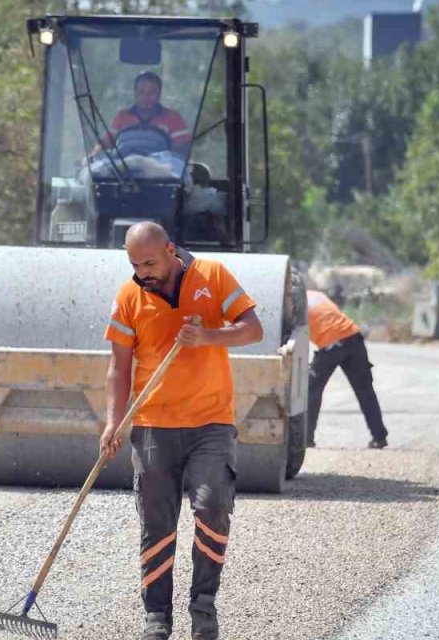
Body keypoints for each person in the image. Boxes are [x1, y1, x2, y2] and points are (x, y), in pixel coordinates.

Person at [101, 221, 262, 640]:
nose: (143, 272)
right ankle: (157, 618)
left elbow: (253, 329)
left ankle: (203, 607)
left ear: (171, 249)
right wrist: (113, 421)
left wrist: (208, 335)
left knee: (212, 508)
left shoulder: (213, 276)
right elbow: (118, 368)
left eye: (150, 262)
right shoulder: (128, 296)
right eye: (134, 264)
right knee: (156, 523)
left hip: (211, 423)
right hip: (154, 425)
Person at [305, 290, 388, 450]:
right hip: (353, 337)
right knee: (365, 392)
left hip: (331, 344)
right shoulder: (317, 294)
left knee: (312, 390)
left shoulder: (293, 302)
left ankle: (307, 438)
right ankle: (379, 437)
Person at [103, 71, 193, 158]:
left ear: (159, 94)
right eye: (141, 92)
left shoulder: (173, 118)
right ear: (134, 93)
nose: (146, 97)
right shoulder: (122, 117)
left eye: (152, 92)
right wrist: (94, 155)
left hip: (162, 171)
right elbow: (105, 144)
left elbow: (182, 150)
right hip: (125, 169)